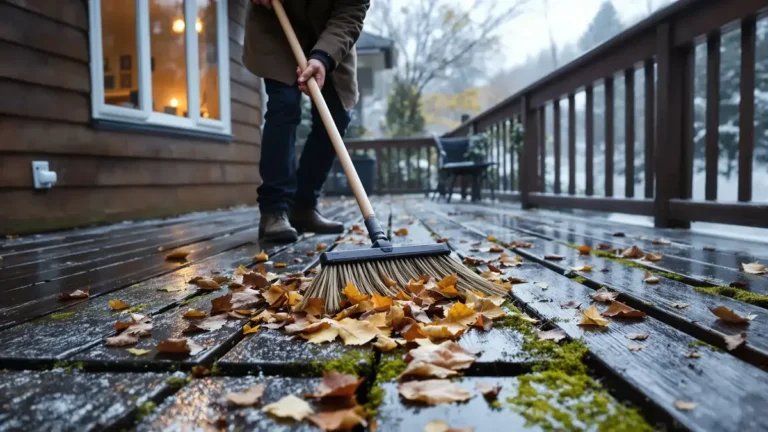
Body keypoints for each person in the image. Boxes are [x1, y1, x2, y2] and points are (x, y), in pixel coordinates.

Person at [244, 0, 370, 242]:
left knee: (336, 117)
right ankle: (274, 208)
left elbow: (352, 11)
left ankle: (303, 207)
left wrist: (323, 58)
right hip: (276, 26)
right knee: (284, 103)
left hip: (329, 35)